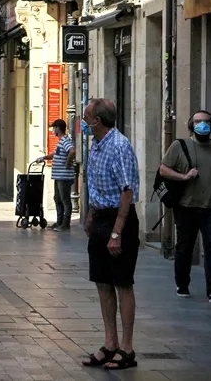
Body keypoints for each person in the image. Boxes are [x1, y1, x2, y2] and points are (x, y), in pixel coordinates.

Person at [81, 98, 140, 371]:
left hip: (121, 221)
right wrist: (92, 215)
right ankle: (110, 343)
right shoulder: (96, 146)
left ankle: (127, 349)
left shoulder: (119, 146)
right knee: (103, 283)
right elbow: (96, 185)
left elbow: (126, 191)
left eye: (86, 117)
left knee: (122, 283)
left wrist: (116, 232)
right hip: (102, 217)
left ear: (97, 121)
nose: (83, 122)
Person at [159, 110, 211, 304]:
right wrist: (184, 177)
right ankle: (182, 283)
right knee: (185, 247)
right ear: (191, 125)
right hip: (187, 207)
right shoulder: (179, 146)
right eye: (198, 122)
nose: (203, 125)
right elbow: (163, 169)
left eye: (206, 122)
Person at [41, 119, 76, 231]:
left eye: (54, 128)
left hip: (64, 176)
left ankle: (65, 224)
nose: (52, 130)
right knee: (57, 198)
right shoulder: (60, 141)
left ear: (58, 128)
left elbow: (72, 151)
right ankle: (59, 222)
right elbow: (55, 155)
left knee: (65, 200)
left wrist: (67, 164)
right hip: (58, 176)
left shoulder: (65, 140)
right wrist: (44, 158)